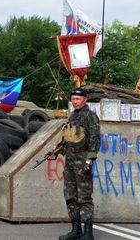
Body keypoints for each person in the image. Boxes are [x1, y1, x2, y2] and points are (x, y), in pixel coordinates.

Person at [59, 88, 100, 240]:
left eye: (78, 99)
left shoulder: (90, 116)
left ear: (85, 99)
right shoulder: (72, 116)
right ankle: (76, 230)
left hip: (83, 162)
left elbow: (94, 139)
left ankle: (88, 233)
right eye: (73, 99)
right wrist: (59, 149)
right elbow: (68, 138)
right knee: (70, 196)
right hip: (70, 162)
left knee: (84, 197)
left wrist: (89, 160)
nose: (75, 101)